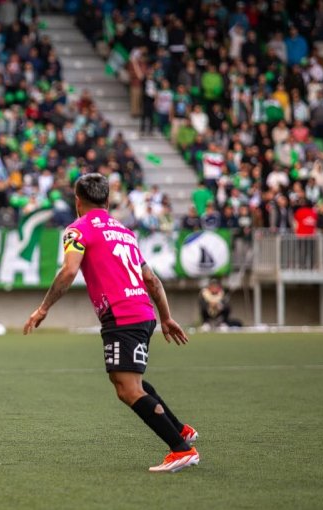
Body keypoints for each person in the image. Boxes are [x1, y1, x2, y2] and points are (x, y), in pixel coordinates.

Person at [23, 173, 199, 473]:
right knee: (127, 380)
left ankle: (181, 449)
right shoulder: (125, 232)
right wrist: (166, 317)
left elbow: (68, 272)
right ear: (107, 201)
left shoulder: (77, 230)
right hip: (143, 311)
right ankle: (180, 430)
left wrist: (43, 308)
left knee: (128, 389)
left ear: (78, 202)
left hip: (122, 315)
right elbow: (151, 280)